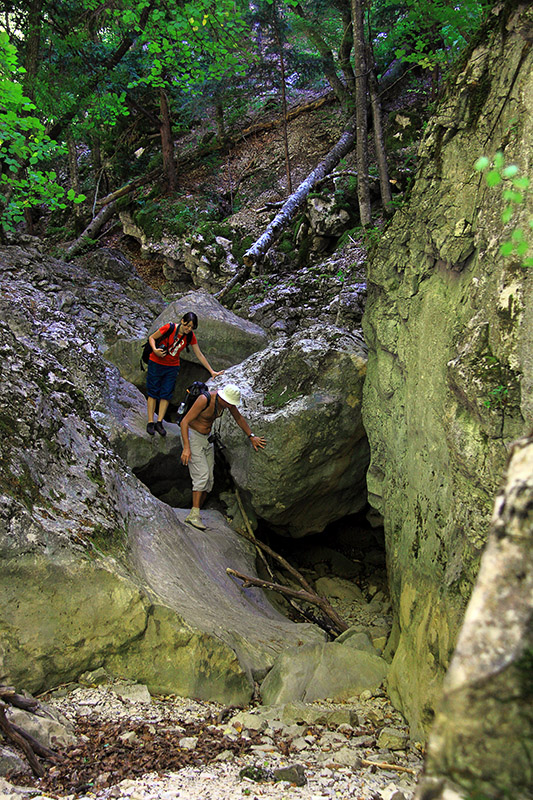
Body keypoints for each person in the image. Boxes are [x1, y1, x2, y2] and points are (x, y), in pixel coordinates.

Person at [180, 383, 266, 530]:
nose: (231, 406)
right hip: (192, 436)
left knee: (209, 480)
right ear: (223, 397)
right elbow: (184, 422)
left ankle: (196, 510)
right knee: (202, 475)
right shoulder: (204, 399)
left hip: (207, 438)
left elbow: (239, 418)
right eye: (230, 403)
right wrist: (186, 448)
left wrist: (251, 436)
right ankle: (193, 516)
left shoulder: (227, 404)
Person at [146, 311, 223, 437]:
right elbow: (152, 338)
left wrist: (212, 371)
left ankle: (159, 422)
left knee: (166, 393)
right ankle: (150, 422)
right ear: (182, 321)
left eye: (192, 327)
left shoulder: (190, 336)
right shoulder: (169, 328)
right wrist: (155, 350)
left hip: (172, 366)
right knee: (153, 392)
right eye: (187, 326)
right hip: (156, 362)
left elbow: (199, 354)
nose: (188, 329)